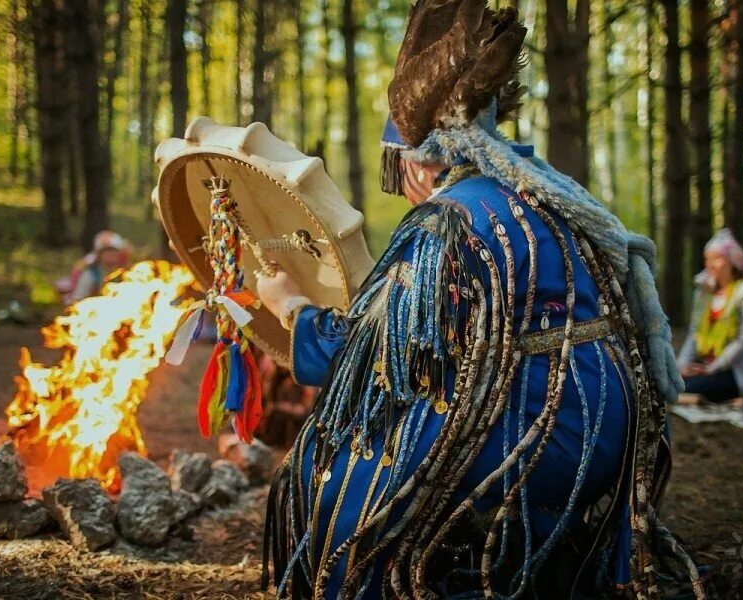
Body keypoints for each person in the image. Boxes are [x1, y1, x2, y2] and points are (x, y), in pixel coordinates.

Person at [256, 3, 697, 598]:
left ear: (421, 158)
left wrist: (289, 306)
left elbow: (363, 359)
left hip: (543, 428)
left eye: (400, 165)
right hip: (609, 428)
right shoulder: (543, 195)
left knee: (337, 470)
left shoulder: (449, 221)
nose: (403, 179)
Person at [676, 229, 743, 404]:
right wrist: (681, 367)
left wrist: (711, 368)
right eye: (707, 259)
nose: (710, 264)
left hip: (733, 372)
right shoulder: (703, 293)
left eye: (717, 258)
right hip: (703, 367)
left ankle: (697, 397)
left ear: (732, 261)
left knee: (687, 387)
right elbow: (694, 332)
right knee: (671, 382)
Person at [55, 231, 132, 304]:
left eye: (113, 254)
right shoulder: (90, 275)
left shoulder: (127, 274)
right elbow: (78, 299)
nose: (110, 258)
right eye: (106, 254)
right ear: (99, 256)